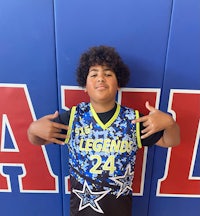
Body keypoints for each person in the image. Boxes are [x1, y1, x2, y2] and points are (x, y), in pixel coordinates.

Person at [27, 45, 180, 216]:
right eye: (94, 74)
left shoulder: (132, 119)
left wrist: (170, 123)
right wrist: (33, 130)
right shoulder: (73, 118)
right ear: (84, 85)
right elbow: (39, 139)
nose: (101, 78)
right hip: (82, 210)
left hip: (119, 210)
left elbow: (170, 141)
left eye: (108, 74)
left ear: (118, 84)